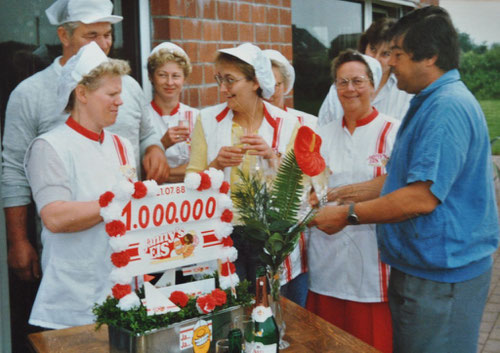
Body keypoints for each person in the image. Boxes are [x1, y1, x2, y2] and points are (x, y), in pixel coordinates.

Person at [310, 6, 499, 353]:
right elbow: (400, 179)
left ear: (429, 57)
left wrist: (348, 214)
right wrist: (340, 193)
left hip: (441, 278)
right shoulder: (429, 101)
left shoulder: (445, 108)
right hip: (426, 272)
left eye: (397, 53)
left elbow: (419, 197)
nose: (389, 63)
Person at [2, 0, 168, 283]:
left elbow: (147, 133)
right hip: (71, 247)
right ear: (64, 36)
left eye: (107, 35)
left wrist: (155, 148)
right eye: (91, 35)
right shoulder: (29, 93)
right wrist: (17, 241)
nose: (101, 45)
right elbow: (14, 171)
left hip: (126, 241)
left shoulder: (128, 85)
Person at [25, 42, 136, 329]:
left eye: (119, 94)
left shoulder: (122, 146)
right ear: (82, 93)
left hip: (121, 295)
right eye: (111, 94)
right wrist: (115, 201)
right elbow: (55, 216)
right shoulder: (50, 146)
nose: (119, 101)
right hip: (71, 305)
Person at [306, 49, 400, 353]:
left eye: (357, 81)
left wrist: (342, 193)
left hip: (374, 265)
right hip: (327, 262)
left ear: (373, 85)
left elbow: (400, 186)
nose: (350, 89)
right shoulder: (320, 135)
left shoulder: (392, 131)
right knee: (326, 342)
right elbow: (306, 190)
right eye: (342, 82)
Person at [186, 42, 299, 287]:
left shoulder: (287, 124)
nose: (223, 88)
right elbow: (191, 181)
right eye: (219, 79)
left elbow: (298, 187)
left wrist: (271, 157)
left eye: (230, 80)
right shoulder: (207, 120)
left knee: (266, 309)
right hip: (221, 233)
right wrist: (215, 164)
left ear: (255, 82)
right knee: (228, 310)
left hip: (270, 234)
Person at [318, 17, 413, 126]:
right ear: (364, 47)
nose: (376, 58)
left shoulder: (404, 92)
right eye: (373, 49)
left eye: (385, 54)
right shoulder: (339, 88)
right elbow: (322, 128)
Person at [147, 42, 200, 183]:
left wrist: (162, 172)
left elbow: (201, 167)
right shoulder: (142, 117)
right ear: (151, 77)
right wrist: (162, 144)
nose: (170, 83)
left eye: (176, 76)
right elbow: (135, 168)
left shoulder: (197, 117)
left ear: (184, 79)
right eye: (162, 75)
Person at [263, 49, 317, 129]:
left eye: (274, 85)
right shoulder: (242, 126)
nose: (268, 93)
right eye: (262, 86)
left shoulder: (308, 123)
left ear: (285, 86)